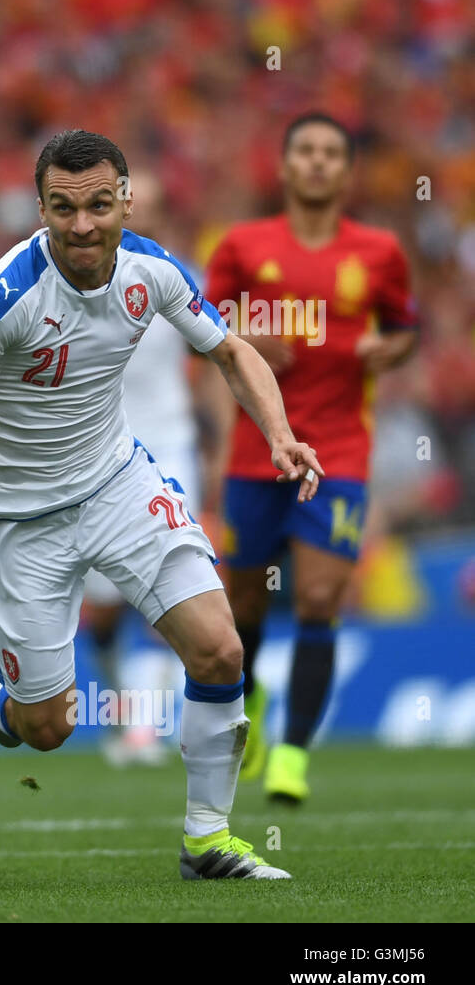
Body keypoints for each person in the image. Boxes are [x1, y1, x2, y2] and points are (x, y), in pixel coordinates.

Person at [0, 129, 324, 880]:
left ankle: (207, 838)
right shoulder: (9, 293)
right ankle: (5, 689)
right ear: (41, 209)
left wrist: (281, 435)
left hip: (115, 481)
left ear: (124, 199)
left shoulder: (152, 270)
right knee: (47, 729)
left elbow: (230, 350)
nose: (84, 225)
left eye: (100, 204)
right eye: (64, 208)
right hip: (16, 516)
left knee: (221, 648)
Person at [206, 112, 418, 802]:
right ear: (286, 164)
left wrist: (392, 349)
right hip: (255, 450)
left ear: (348, 170)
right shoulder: (242, 245)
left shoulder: (380, 251)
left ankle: (294, 752)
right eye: (307, 151)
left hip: (340, 453)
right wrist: (246, 341)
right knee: (245, 606)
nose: (319, 162)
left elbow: (404, 326)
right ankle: (255, 701)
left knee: (322, 596)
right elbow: (202, 325)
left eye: (332, 153)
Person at [78, 173, 220, 766]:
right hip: (100, 451)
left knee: (172, 583)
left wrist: (216, 443)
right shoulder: (79, 277)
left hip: (170, 445)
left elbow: (215, 356)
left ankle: (148, 725)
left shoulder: (183, 276)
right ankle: (117, 708)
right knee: (106, 604)